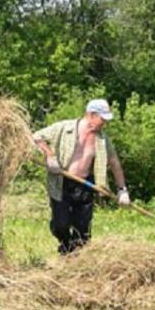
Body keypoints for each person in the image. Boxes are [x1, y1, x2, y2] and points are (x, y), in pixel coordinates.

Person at [33, 99, 130, 255]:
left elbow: (114, 162)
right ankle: (66, 246)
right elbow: (37, 137)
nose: (104, 123)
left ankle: (75, 259)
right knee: (60, 225)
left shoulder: (103, 139)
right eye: (102, 119)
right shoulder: (65, 128)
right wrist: (50, 155)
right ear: (91, 115)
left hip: (85, 185)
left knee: (82, 232)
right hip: (61, 183)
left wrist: (122, 189)